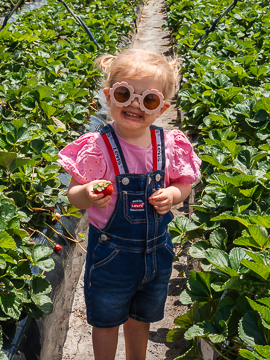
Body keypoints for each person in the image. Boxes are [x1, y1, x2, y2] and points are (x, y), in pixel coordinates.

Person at [58, 48, 201, 360]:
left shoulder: (169, 145)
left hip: (156, 252)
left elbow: (185, 183)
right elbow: (72, 195)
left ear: (162, 107)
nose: (135, 104)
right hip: (111, 255)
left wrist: (174, 196)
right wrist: (89, 192)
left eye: (147, 99)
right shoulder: (98, 147)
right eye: (125, 94)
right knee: (106, 319)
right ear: (109, 96)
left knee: (142, 316)